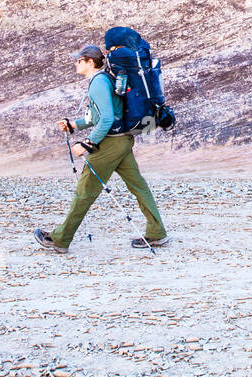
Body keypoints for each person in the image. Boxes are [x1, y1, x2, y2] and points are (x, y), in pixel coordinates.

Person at [32, 44, 169, 252]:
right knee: (138, 186)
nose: (76, 63)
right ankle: (157, 233)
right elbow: (99, 116)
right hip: (122, 140)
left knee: (85, 191)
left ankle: (60, 239)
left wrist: (87, 143)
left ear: (90, 62)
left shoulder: (98, 83)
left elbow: (105, 120)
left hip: (111, 143)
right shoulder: (104, 79)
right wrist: (73, 125)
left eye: (79, 60)